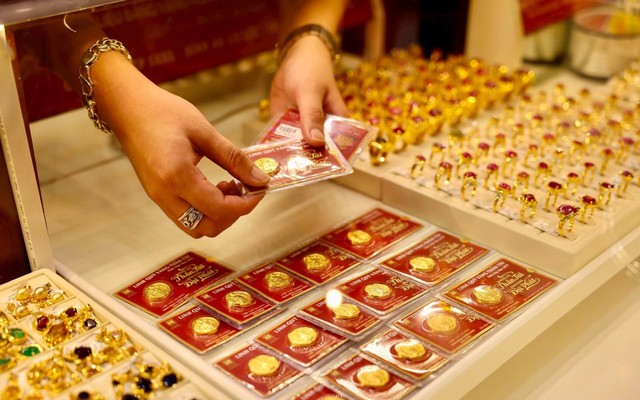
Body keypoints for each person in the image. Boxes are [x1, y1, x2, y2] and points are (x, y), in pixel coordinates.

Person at [38, 0, 349, 238]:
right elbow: (29, 16)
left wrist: (310, 36)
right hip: (60, 146)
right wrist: (118, 94)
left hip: (252, 68)